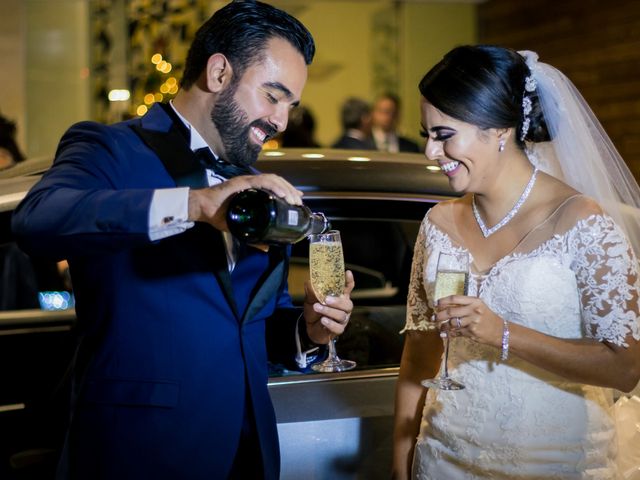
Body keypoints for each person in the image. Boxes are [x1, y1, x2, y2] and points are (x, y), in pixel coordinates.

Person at [11, 2, 354, 479]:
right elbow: (37, 221)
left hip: (247, 454)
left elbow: (249, 326)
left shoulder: (258, 187)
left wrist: (310, 330)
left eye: (291, 105)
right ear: (218, 72)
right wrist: (194, 205)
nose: (282, 120)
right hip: (139, 453)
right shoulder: (110, 148)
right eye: (273, 96)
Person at [392, 45, 640, 479]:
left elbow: (626, 368)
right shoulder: (437, 223)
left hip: (554, 461)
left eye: (444, 135)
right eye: (427, 135)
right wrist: (400, 464)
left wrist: (503, 333)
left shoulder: (582, 222)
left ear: (499, 131)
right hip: (443, 458)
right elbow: (419, 356)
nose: (431, 152)